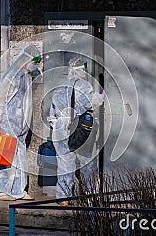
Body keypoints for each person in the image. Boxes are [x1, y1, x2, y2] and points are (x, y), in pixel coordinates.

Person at [48, 57, 104, 205]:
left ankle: (64, 197)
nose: (84, 72)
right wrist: (101, 97)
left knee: (65, 164)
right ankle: (91, 196)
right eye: (82, 69)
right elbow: (89, 104)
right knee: (87, 162)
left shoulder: (59, 88)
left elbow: (52, 113)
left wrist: (59, 124)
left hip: (60, 128)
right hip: (78, 128)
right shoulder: (84, 86)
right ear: (78, 70)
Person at [0, 45, 42, 201]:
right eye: (36, 61)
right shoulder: (13, 75)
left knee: (19, 157)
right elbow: (0, 98)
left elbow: (37, 77)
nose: (37, 64)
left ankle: (18, 190)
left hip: (19, 124)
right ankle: (0, 190)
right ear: (27, 59)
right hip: (7, 121)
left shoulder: (25, 75)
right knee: (4, 156)